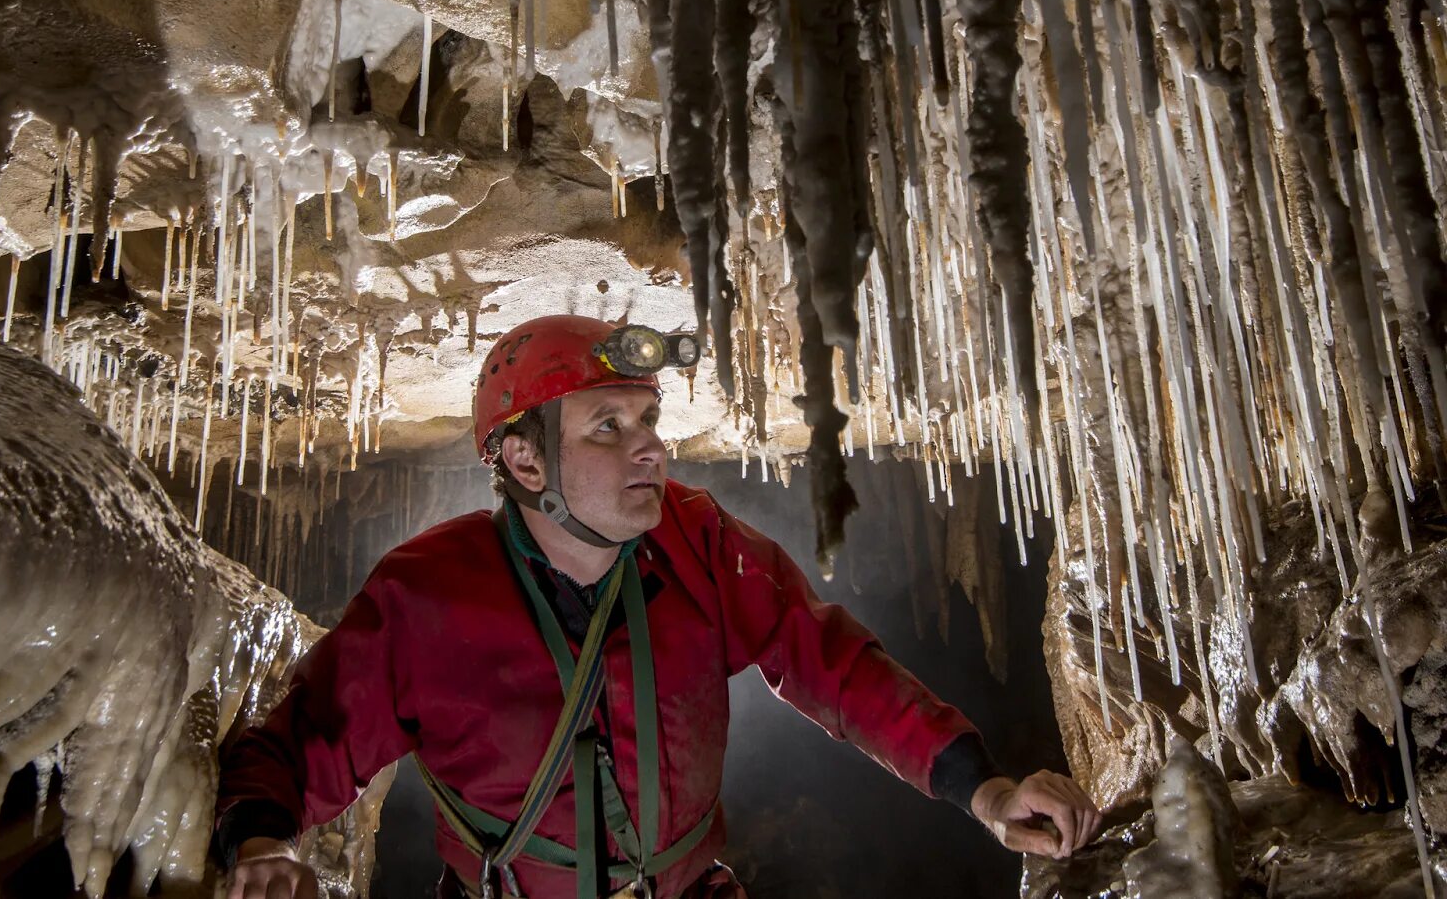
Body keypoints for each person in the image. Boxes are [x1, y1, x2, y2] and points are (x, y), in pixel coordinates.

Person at [214, 315, 1101, 899]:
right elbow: (295, 746)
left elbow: (831, 665)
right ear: (526, 464)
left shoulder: (698, 542)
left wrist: (982, 788)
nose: (652, 450)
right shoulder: (426, 597)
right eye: (609, 426)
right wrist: (261, 848)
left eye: (649, 419)